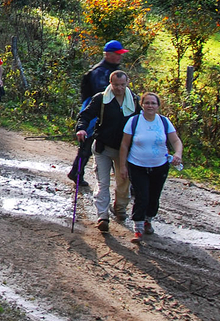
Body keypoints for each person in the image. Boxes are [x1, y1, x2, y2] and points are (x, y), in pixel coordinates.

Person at [75, 70, 139, 231]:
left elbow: (142, 123)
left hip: (124, 151)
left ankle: (120, 208)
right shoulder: (101, 98)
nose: (119, 88)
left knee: (123, 182)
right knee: (103, 183)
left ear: (127, 83)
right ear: (110, 83)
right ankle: (102, 216)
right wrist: (81, 129)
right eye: (116, 85)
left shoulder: (135, 102)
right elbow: (85, 115)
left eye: (122, 85)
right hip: (103, 147)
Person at [118, 92, 183, 241]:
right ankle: (138, 228)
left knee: (154, 197)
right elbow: (124, 145)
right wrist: (123, 166)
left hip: (159, 166)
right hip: (137, 165)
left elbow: (175, 141)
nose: (150, 106)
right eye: (147, 103)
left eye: (153, 103)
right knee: (142, 196)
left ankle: (148, 220)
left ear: (158, 106)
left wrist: (178, 154)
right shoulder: (134, 121)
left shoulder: (164, 122)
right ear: (142, 105)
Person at [69, 40, 129, 187]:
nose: (120, 57)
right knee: (87, 145)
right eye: (117, 54)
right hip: (95, 113)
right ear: (108, 55)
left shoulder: (113, 71)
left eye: (121, 54)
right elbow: (101, 96)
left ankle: (125, 181)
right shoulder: (99, 72)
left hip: (108, 114)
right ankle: (77, 173)